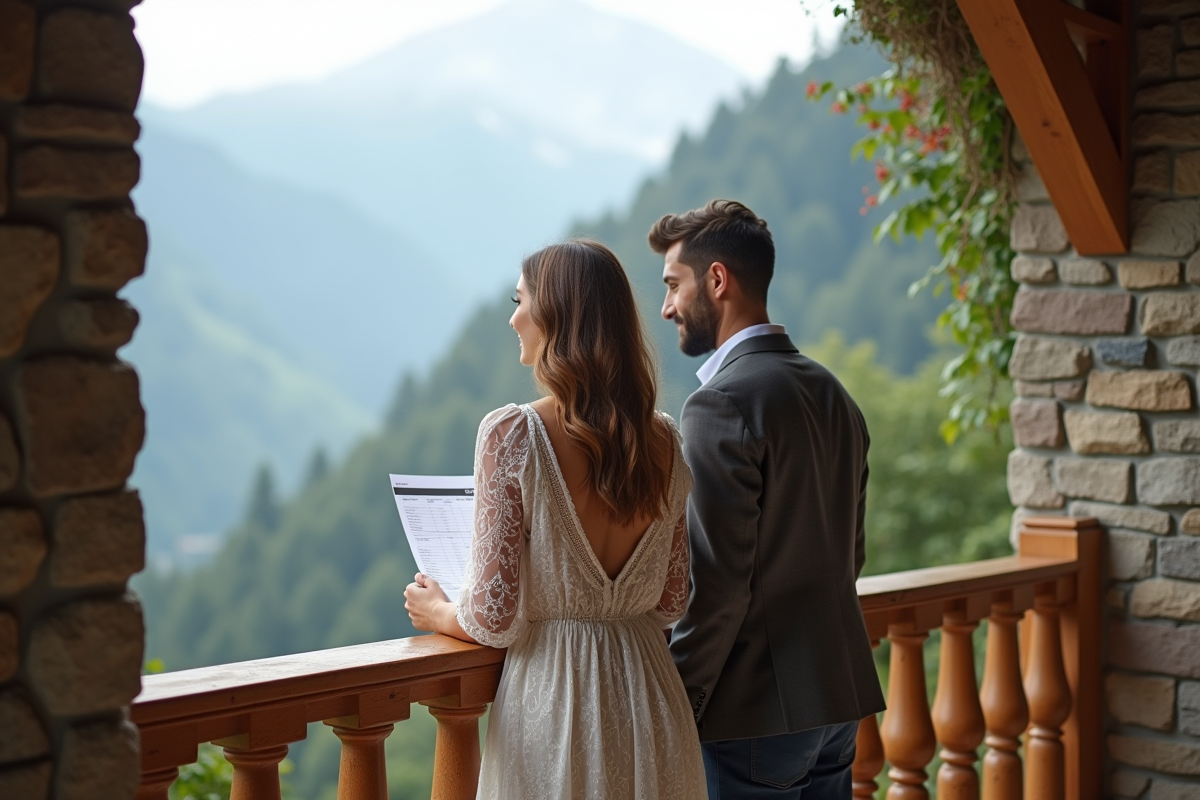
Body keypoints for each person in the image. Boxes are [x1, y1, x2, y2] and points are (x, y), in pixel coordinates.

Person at [404, 240, 708, 800]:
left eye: (521, 301)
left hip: (555, 703)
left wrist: (439, 609)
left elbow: (494, 620)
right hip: (650, 700)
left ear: (557, 317)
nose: (513, 316)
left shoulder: (513, 434)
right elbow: (670, 602)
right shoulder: (665, 441)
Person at [649, 200, 885, 799]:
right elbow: (848, 556)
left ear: (718, 279)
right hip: (836, 695)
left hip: (751, 713)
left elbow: (717, 586)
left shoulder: (718, 404)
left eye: (674, 285)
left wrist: (677, 704)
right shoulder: (834, 393)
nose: (667, 306)